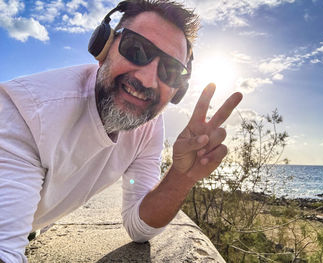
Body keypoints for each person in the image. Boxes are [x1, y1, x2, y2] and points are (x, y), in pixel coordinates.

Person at [0, 0, 242, 262]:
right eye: (136, 49)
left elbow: (139, 227)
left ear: (178, 91)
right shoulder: (25, 114)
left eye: (170, 71)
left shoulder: (147, 127)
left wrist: (182, 176)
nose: (148, 80)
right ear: (103, 46)